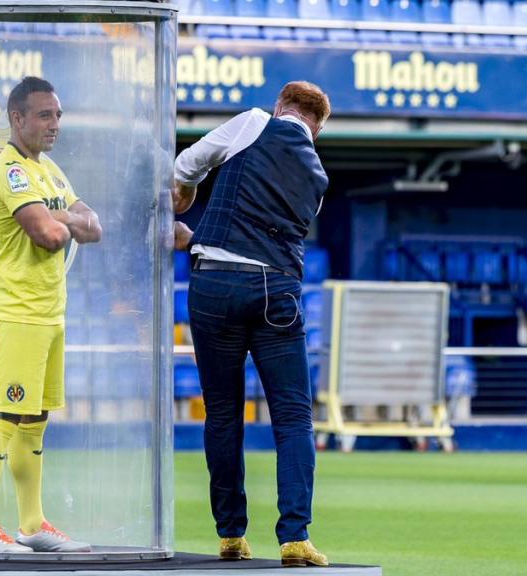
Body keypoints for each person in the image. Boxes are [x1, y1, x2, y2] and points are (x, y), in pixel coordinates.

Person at [172, 81, 331, 567]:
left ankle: (230, 535)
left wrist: (189, 202)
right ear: (316, 128)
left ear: (282, 106)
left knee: (222, 414)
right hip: (276, 292)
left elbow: (182, 166)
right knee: (293, 417)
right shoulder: (319, 178)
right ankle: (295, 538)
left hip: (215, 282)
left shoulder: (254, 121)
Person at [0, 76, 102, 553]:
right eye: (45, 115)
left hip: (49, 313)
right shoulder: (10, 171)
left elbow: (94, 226)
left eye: (58, 115)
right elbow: (52, 236)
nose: (54, 124)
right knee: (3, 414)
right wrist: (64, 218)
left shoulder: (51, 171)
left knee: (34, 419)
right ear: (17, 119)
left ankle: (31, 523)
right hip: (15, 313)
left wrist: (59, 215)